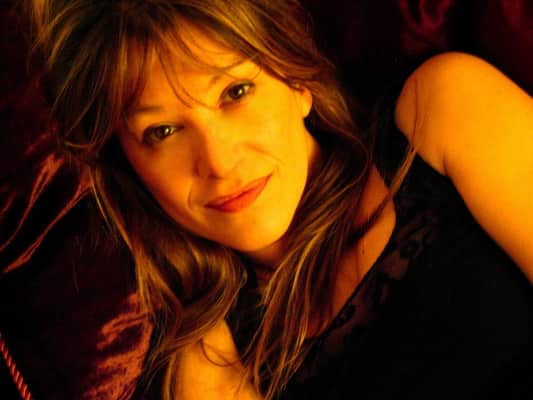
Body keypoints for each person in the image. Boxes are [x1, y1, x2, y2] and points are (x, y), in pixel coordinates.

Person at [16, 0, 533, 398]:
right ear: (130, 168)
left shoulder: (441, 109)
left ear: (297, 80)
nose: (218, 161)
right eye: (164, 131)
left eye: (235, 92)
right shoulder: (208, 364)